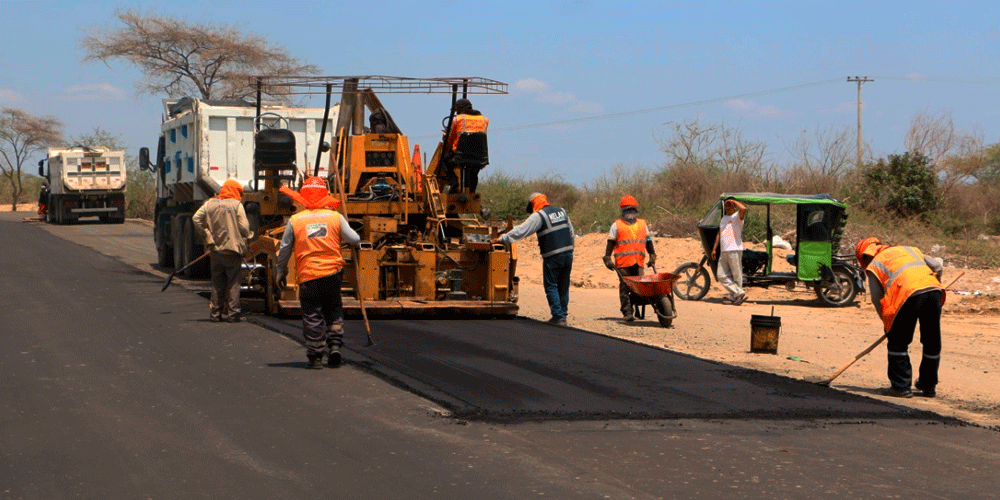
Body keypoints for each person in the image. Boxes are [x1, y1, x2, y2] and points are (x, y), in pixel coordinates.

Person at [276, 177, 361, 370]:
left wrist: (280, 272)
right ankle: (335, 346)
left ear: (302, 196)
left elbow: (284, 249)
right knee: (333, 310)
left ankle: (315, 356)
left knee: (313, 314)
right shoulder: (335, 217)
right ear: (325, 194)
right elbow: (355, 238)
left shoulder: (296, 220)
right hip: (332, 273)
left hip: (308, 276)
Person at [855, 237, 944, 398]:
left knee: (898, 342)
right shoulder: (909, 249)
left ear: (865, 256)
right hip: (933, 290)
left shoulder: (875, 265)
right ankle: (928, 385)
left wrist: (888, 324)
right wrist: (938, 283)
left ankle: (901, 387)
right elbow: (937, 266)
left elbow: (877, 298)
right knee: (932, 341)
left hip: (907, 295)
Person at [491, 193, 574, 326]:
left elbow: (521, 230)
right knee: (564, 286)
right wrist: (570, 249)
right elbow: (571, 232)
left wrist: (502, 239)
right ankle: (563, 316)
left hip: (552, 256)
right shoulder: (562, 211)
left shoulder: (539, 216)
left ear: (533, 203)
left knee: (551, 285)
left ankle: (558, 317)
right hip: (568, 254)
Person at [192, 179, 251, 323]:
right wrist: (245, 235)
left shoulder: (210, 204)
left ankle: (215, 314)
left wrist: (206, 234)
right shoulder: (236, 205)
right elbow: (244, 228)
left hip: (215, 251)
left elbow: (196, 218)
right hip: (232, 251)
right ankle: (233, 314)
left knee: (217, 283)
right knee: (233, 284)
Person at [603, 195, 658, 322]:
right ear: (623, 211)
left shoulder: (642, 224)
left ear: (636, 210)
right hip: (623, 263)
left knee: (639, 286)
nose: (630, 212)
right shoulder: (616, 225)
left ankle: (638, 309)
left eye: (632, 210)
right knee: (625, 287)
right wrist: (607, 257)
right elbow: (610, 242)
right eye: (627, 210)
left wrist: (652, 255)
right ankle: (627, 312)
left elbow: (648, 240)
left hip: (638, 261)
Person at [444, 98, 489, 196]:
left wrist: (447, 139)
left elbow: (451, 139)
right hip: (480, 157)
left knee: (445, 161)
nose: (457, 113)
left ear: (460, 109)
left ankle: (454, 182)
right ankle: (472, 192)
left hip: (461, 156)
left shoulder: (458, 119)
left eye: (457, 111)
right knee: (474, 171)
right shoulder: (484, 120)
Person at [712, 198, 748, 306]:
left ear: (734, 207)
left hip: (734, 249)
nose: (728, 208)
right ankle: (738, 293)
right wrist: (714, 248)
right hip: (724, 250)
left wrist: (732, 200)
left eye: (730, 205)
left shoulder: (737, 217)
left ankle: (735, 297)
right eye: (726, 206)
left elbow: (744, 208)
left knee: (736, 276)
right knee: (721, 275)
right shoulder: (723, 219)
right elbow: (720, 234)